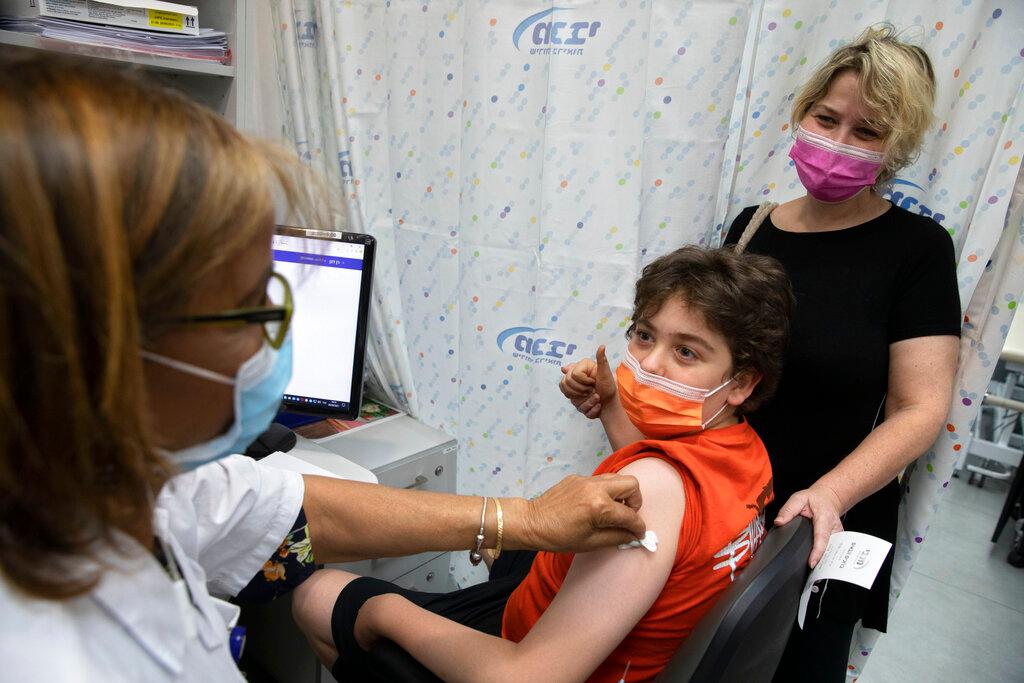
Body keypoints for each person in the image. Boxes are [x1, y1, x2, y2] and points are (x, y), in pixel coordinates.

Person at [0, 54, 647, 680]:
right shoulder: (52, 655)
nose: (273, 341)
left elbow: (288, 509)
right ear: (101, 349)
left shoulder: (122, 488)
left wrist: (521, 518)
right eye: (249, 307)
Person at [564, 24, 961, 682]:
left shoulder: (916, 250)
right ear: (801, 112)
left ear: (897, 147)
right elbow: (707, 377)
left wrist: (826, 495)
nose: (837, 142)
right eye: (826, 117)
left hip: (819, 527)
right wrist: (615, 400)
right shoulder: (750, 226)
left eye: (866, 132)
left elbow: (922, 405)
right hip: (713, 507)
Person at [291, 245, 795, 682]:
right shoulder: (745, 453)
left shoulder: (651, 489)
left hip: (526, 655)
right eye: (644, 336)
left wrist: (385, 611)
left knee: (317, 592)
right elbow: (665, 483)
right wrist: (612, 407)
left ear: (741, 382)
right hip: (599, 633)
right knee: (501, 545)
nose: (650, 363)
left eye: (686, 352)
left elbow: (530, 677)